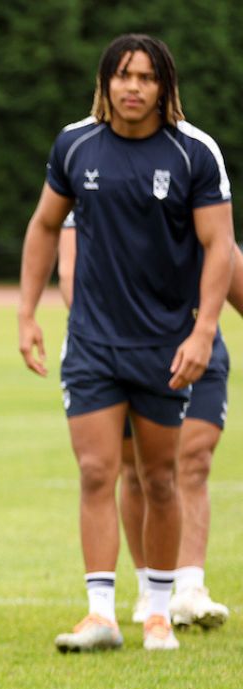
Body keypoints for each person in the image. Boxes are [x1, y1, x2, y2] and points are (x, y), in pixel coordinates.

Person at [18, 34, 234, 653]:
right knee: (95, 472)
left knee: (161, 477)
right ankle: (100, 614)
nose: (132, 87)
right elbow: (43, 224)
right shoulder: (76, 143)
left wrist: (202, 331)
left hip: (165, 346)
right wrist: (26, 313)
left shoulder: (194, 153)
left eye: (145, 77)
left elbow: (220, 247)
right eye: (122, 75)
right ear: (105, 83)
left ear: (164, 86)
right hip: (91, 343)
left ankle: (159, 611)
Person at [60, 218, 239, 632]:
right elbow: (68, 268)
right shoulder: (86, 162)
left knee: (191, 462)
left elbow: (223, 250)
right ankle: (150, 586)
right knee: (136, 472)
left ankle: (190, 588)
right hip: (115, 350)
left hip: (192, 340)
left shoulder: (193, 164)